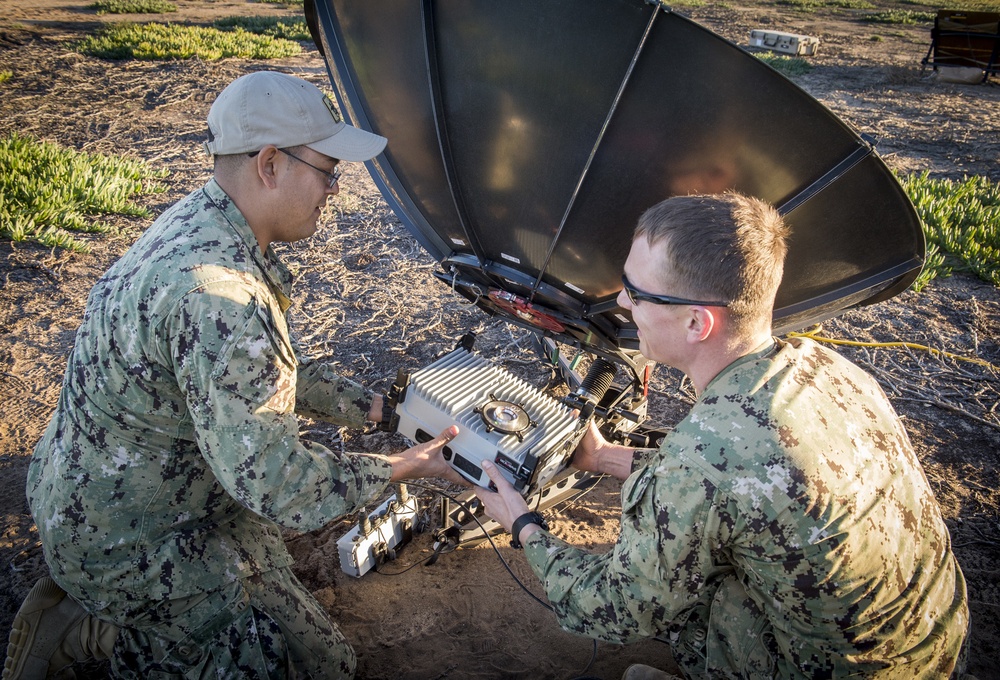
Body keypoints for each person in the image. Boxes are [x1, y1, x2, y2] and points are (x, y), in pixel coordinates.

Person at [5, 71, 460, 679]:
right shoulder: (220, 297)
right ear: (270, 164)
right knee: (293, 667)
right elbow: (282, 487)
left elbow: (265, 373)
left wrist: (376, 409)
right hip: (127, 540)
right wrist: (409, 466)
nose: (334, 189)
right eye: (327, 170)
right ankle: (98, 628)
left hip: (129, 493)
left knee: (325, 658)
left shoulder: (207, 225)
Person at [475, 192, 970, 678]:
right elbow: (752, 489)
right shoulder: (828, 370)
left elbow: (613, 609)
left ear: (696, 322)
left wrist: (523, 526)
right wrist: (605, 458)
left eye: (637, 292)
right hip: (936, 647)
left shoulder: (705, 455)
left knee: (689, 594)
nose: (622, 302)